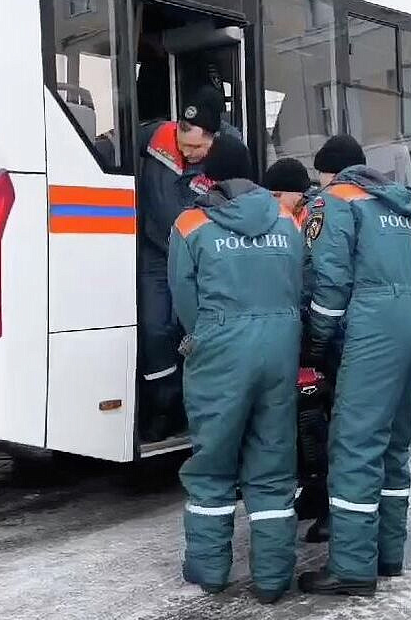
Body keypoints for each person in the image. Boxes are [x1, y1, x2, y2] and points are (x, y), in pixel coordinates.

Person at [167, 136, 304, 604]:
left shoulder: (191, 223)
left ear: (210, 177)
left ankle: (209, 572)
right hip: (281, 346)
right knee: (272, 463)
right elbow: (297, 282)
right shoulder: (286, 220)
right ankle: (272, 579)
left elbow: (183, 296)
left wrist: (204, 336)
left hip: (221, 348)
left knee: (213, 463)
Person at [296, 135, 411, 596]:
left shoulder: (335, 200)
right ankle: (388, 553)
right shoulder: (401, 203)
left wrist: (316, 340)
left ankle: (352, 567)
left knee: (354, 444)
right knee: (393, 442)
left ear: (328, 171)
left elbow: (331, 283)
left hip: (373, 323)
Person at [137, 85, 245, 443]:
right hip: (157, 252)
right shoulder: (154, 137)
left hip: (200, 253)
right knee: (155, 329)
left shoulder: (230, 152)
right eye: (184, 145)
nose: (187, 153)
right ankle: (162, 406)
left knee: (193, 326)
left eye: (196, 148)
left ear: (215, 139)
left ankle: (191, 405)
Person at [264, 157, 332, 543]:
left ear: (296, 193)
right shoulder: (288, 219)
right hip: (301, 328)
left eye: (278, 194)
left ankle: (329, 503)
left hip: (322, 331)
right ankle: (313, 492)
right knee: (303, 415)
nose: (273, 201)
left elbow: (315, 279)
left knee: (317, 421)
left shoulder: (312, 219)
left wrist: (312, 339)